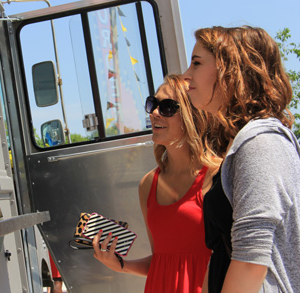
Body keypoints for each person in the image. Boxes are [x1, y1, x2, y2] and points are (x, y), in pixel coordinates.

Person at [183, 25, 300, 292]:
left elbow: (251, 261)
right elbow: (222, 251)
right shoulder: (236, 142)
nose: (186, 75)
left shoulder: (261, 142)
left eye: (196, 64)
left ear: (231, 70)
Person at [93, 74, 221, 292]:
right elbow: (163, 261)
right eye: (153, 104)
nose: (153, 113)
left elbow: (239, 256)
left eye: (167, 107)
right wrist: (121, 265)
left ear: (193, 116)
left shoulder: (217, 174)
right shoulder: (148, 184)